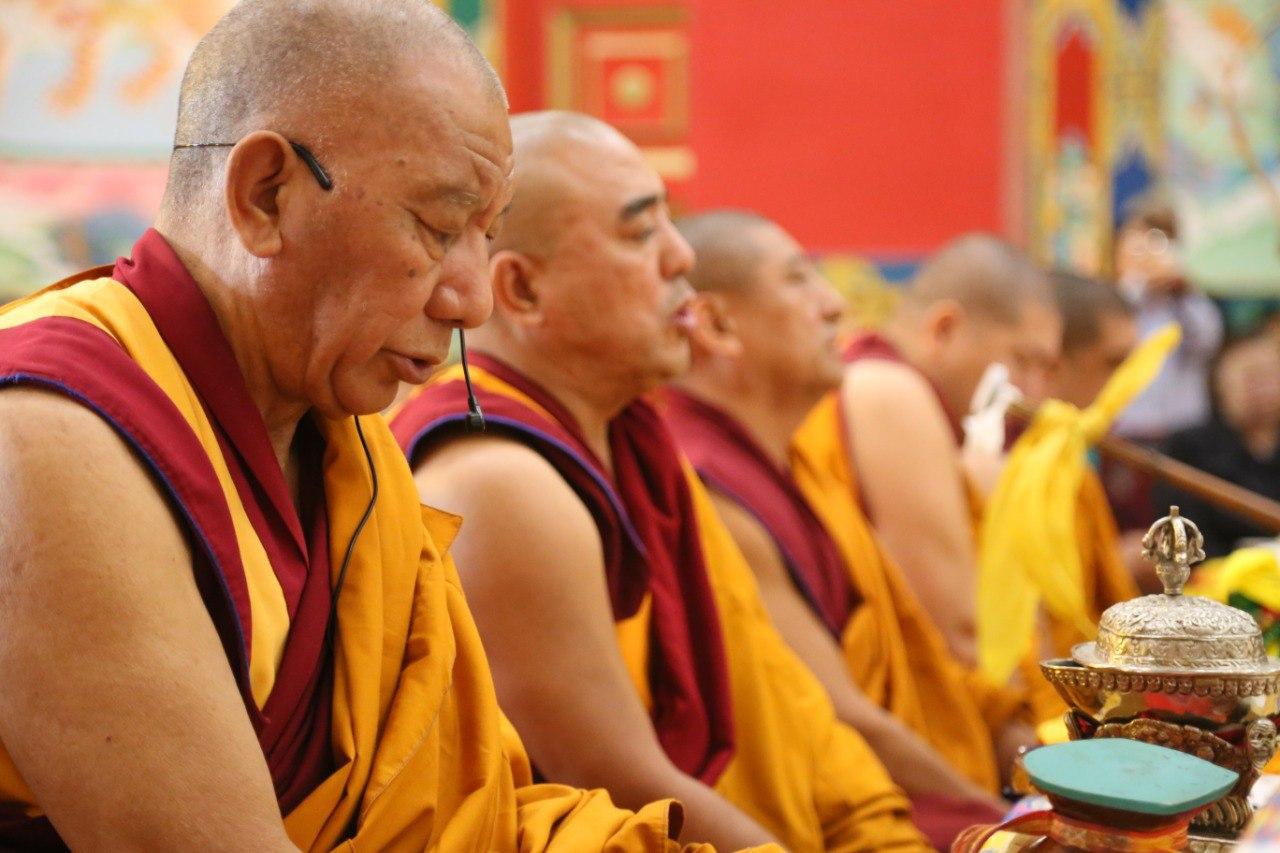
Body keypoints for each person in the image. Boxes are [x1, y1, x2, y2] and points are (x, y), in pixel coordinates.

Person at [0, 4, 710, 849]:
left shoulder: (350, 450)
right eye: (438, 227)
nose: (472, 300)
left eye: (486, 236)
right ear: (266, 195)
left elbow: (464, 814)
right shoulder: (51, 433)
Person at [392, 112, 928, 852]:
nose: (683, 257)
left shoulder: (636, 445)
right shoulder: (499, 480)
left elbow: (788, 706)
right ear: (521, 289)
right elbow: (621, 783)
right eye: (642, 232)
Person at [663, 210, 1010, 847]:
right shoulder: (703, 483)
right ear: (716, 324)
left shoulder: (795, 467)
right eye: (799, 281)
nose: (835, 305)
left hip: (874, 787)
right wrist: (996, 818)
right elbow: (836, 713)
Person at [839, 235, 1060, 669]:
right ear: (944, 330)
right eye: (1022, 360)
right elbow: (959, 630)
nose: (1033, 392)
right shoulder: (889, 391)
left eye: (1045, 369)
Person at [1156, 328, 1280, 558]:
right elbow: (1181, 535)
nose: (1265, 390)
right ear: (1220, 384)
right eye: (1252, 378)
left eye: (1271, 377)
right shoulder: (1190, 447)